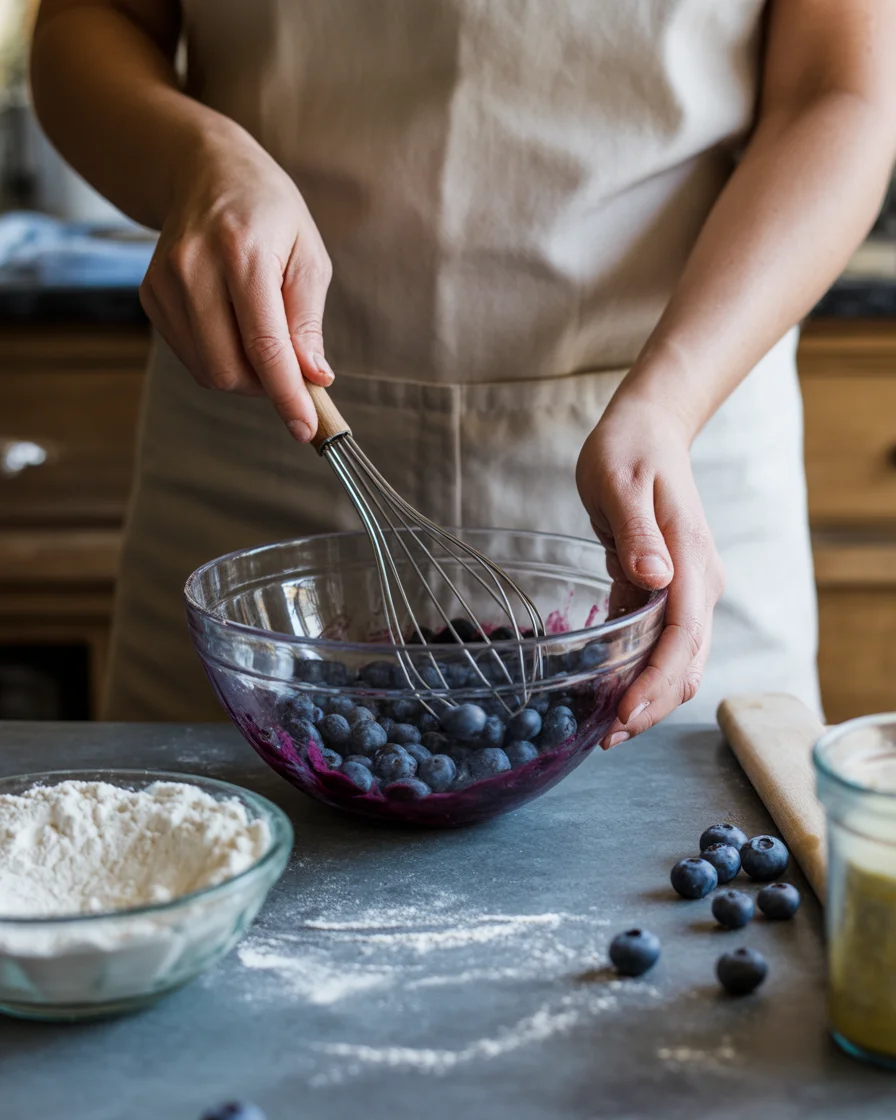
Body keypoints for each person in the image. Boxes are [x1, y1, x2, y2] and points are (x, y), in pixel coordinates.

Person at [31, 1, 896, 742]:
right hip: (260, 444)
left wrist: (672, 402)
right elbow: (88, 23)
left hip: (668, 448)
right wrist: (198, 161)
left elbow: (842, 94)